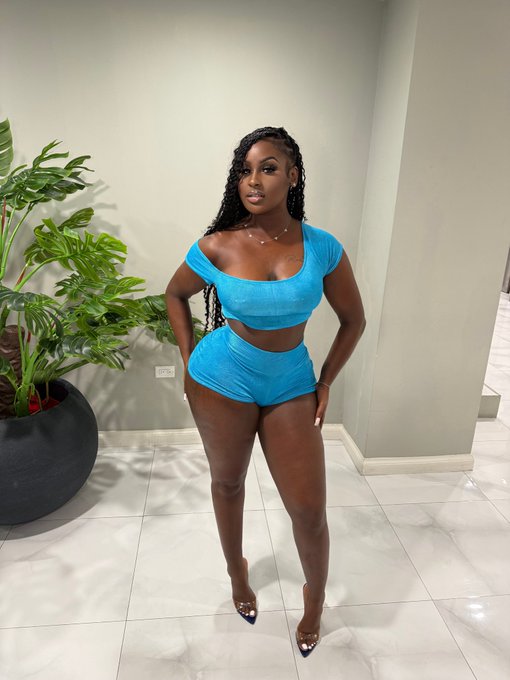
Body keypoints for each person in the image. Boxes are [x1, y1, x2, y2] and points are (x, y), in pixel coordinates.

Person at [165, 126, 365, 657]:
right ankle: (237, 574)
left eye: (268, 168)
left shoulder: (322, 248)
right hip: (221, 379)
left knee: (309, 511)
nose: (253, 181)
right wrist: (188, 360)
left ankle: (314, 600)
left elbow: (354, 320)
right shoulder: (217, 244)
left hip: (291, 384)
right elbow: (175, 294)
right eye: (245, 171)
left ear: (293, 176)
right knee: (227, 482)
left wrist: (325, 381)